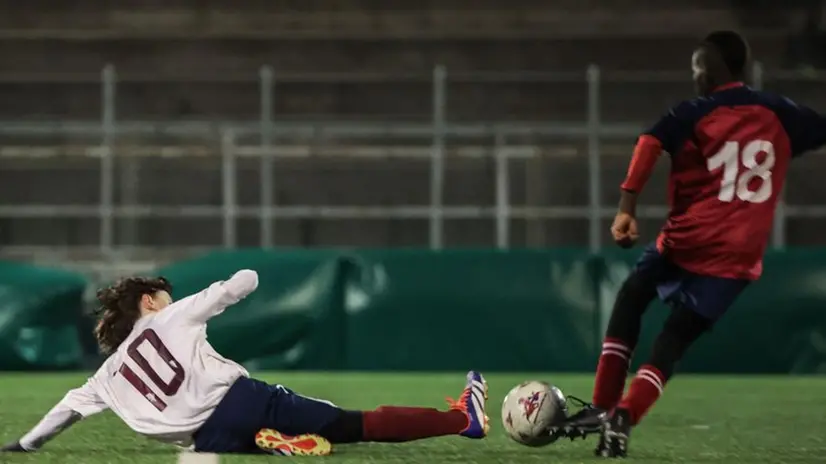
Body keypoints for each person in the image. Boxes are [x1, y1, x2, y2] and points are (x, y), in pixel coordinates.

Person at [553, 30, 826, 458]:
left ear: (713, 70)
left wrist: (627, 206)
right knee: (674, 339)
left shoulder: (695, 112)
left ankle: (603, 408)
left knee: (631, 298)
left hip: (688, 238)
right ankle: (624, 416)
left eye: (699, 67)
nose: (695, 75)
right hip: (738, 257)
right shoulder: (783, 113)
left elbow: (650, 142)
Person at [0, 270, 489, 455]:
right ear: (148, 302)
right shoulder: (171, 317)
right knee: (355, 424)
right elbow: (241, 282)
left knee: (242, 436)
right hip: (238, 402)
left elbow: (65, 408)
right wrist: (243, 282)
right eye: (164, 296)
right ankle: (463, 419)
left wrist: (25, 444)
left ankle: (268, 444)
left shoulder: (106, 375)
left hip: (206, 438)